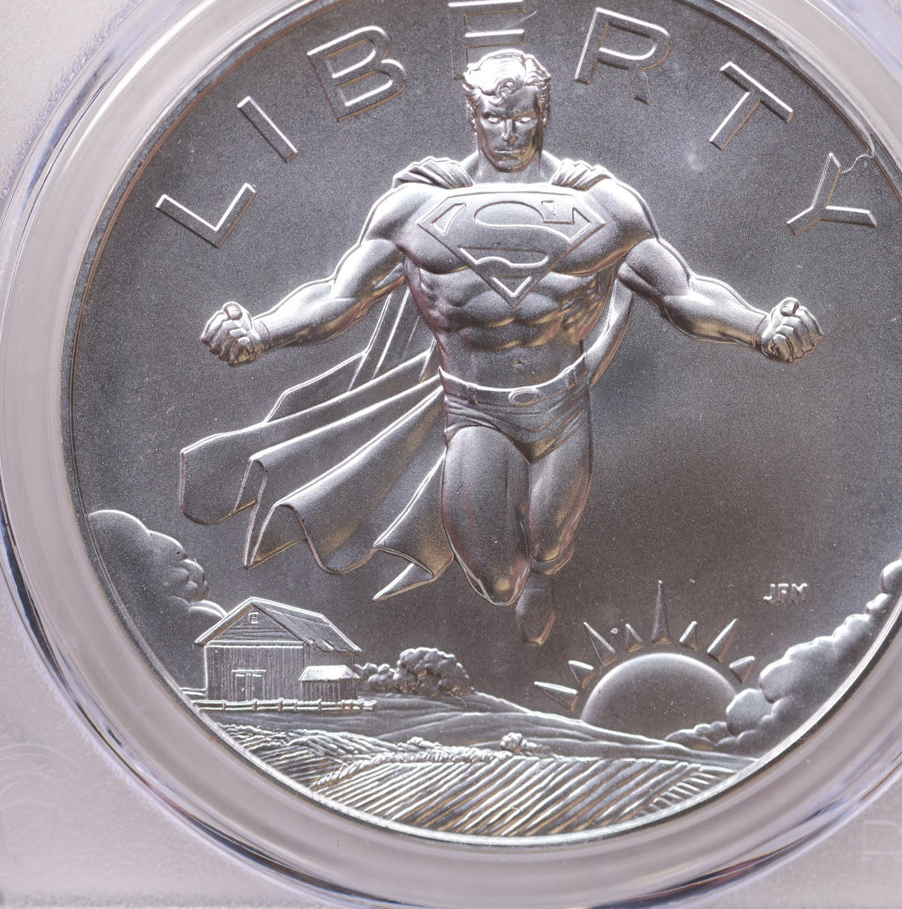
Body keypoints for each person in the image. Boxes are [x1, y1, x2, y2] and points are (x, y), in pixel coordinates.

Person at [200, 50, 821, 645]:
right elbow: (341, 296)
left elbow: (680, 291)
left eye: (523, 115)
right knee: (497, 578)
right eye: (495, 116)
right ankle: (522, 582)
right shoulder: (416, 207)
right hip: (475, 410)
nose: (509, 131)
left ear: (543, 112)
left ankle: (545, 575)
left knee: (549, 547)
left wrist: (759, 325)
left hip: (561, 408)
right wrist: (261, 331)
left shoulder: (602, 203)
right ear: (472, 114)